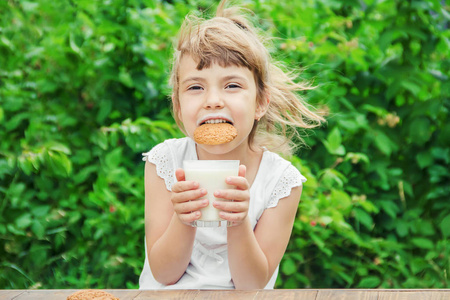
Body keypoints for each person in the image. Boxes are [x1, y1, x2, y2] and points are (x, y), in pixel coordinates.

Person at [139, 0, 324, 290]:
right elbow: (163, 274)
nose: (213, 100)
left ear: (260, 102)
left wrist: (238, 223)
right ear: (177, 106)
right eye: (196, 87)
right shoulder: (165, 162)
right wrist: (183, 219)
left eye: (232, 85)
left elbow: (252, 285)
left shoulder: (280, 182)